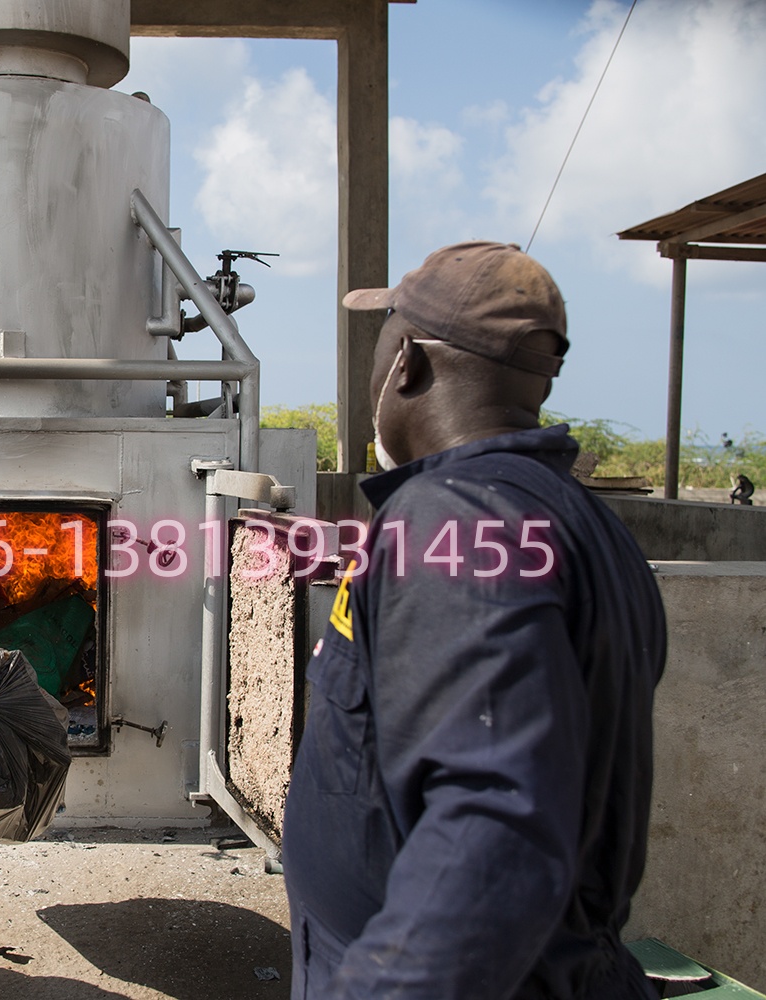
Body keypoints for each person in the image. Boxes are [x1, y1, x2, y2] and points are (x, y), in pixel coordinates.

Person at [283, 241, 666, 999]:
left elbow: (490, 832)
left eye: (385, 333)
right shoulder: (584, 522)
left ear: (407, 363)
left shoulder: (454, 524)